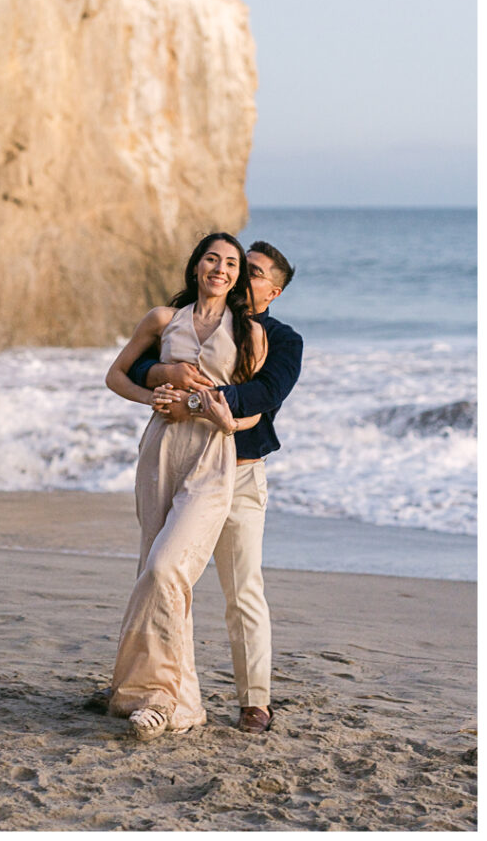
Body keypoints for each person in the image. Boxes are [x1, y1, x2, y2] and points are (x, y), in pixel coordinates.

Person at [128, 241, 302, 735]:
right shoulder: (197, 316)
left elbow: (262, 394)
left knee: (241, 588)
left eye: (254, 272)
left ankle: (255, 701)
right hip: (186, 467)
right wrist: (164, 375)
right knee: (165, 577)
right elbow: (146, 361)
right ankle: (161, 690)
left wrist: (195, 404)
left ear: (274, 291)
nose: (240, 276)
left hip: (241, 471)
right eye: (236, 266)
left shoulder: (282, 340)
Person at [104, 233, 268, 741]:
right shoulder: (162, 320)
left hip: (211, 458)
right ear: (196, 266)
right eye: (211, 259)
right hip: (160, 452)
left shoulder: (252, 334)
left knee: (167, 568)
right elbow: (115, 376)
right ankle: (172, 700)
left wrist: (220, 418)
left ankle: (160, 696)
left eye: (231, 264)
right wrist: (150, 393)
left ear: (238, 276)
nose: (220, 269)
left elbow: (256, 408)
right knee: (155, 574)